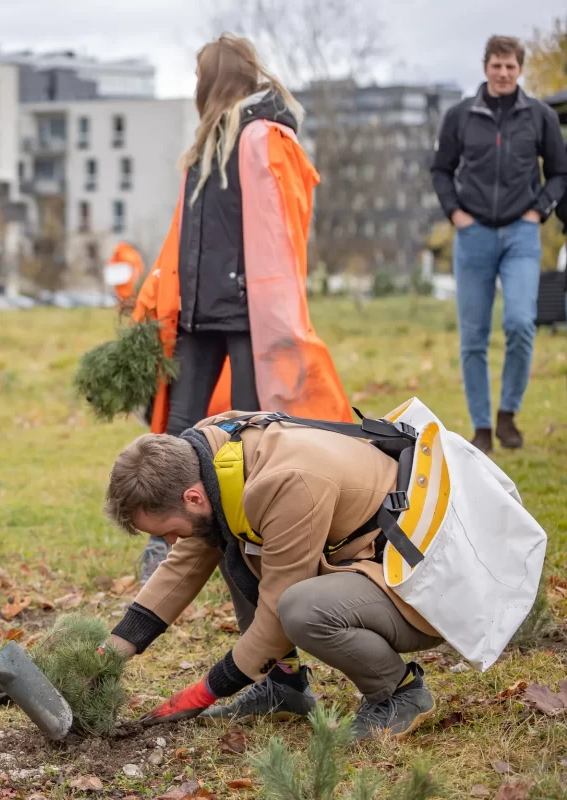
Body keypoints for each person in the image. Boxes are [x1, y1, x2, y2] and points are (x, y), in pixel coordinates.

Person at [129, 34, 351, 583]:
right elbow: (187, 238)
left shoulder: (260, 136)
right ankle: (170, 544)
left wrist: (276, 318)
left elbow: (277, 233)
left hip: (250, 313)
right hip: (199, 312)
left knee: (252, 431)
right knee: (181, 430)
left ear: (212, 80)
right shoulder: (208, 142)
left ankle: (261, 539)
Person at [99, 412, 446, 740]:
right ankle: (283, 686)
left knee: (300, 609)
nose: (171, 542)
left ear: (192, 498)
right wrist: (108, 655)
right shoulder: (214, 453)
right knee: (224, 538)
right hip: (372, 566)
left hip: (422, 588)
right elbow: (183, 567)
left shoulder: (285, 483)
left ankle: (400, 691)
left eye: (169, 532)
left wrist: (204, 692)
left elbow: (278, 613)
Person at [430, 35, 567, 454]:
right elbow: (440, 169)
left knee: (521, 323)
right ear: (485, 67)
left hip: (521, 234)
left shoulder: (540, 116)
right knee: (473, 335)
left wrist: (539, 210)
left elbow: (560, 173)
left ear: (520, 69)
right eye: (496, 65)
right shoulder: (459, 117)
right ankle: (482, 428)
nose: (503, 73)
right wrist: (456, 214)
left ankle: (508, 414)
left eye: (511, 66)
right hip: (472, 237)